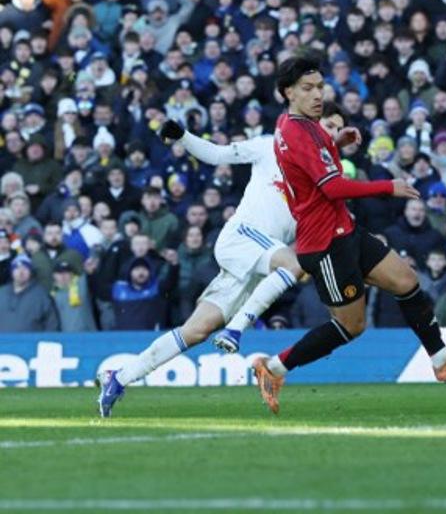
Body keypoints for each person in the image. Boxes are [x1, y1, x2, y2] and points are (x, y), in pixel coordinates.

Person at [252, 56, 446, 414]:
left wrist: (335, 142)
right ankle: (273, 367)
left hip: (345, 231)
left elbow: (315, 161)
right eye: (307, 88)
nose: (317, 95)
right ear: (288, 92)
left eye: (320, 87)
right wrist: (387, 186)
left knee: (406, 280)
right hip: (325, 244)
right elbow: (332, 187)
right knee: (351, 326)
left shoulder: (299, 123)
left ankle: (442, 360)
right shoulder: (296, 133)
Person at [97, 121, 305, 417]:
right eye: (328, 125)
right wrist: (183, 136)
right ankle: (234, 330)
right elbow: (218, 154)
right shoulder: (268, 145)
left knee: (195, 331)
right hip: (244, 237)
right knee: (292, 264)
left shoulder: (317, 176)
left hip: (259, 262)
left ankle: (118, 378)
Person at [0, 255, 58, 332]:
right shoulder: (2, 292)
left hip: (32, 339)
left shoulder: (41, 295)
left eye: (25, 268)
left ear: (30, 272)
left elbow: (51, 324)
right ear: (11, 272)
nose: (21, 272)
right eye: (17, 268)